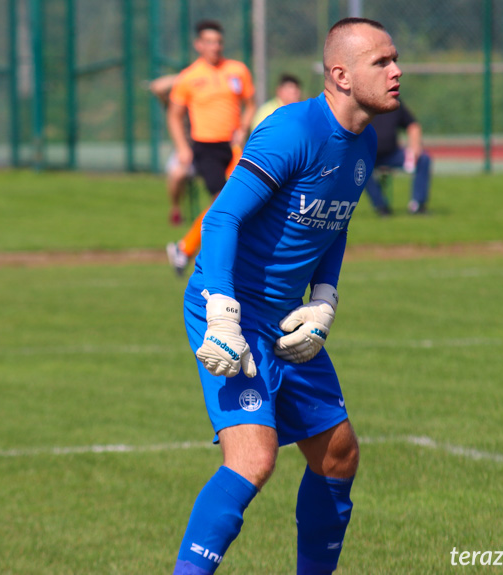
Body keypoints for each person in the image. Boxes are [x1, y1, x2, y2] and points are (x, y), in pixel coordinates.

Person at [172, 17, 402, 574]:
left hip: (283, 319)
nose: (397, 72)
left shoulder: (363, 140)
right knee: (253, 460)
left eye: (396, 60)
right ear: (341, 75)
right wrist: (223, 313)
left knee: (339, 454)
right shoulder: (291, 131)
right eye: (383, 63)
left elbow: (335, 222)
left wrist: (323, 298)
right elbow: (223, 216)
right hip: (228, 307)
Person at [165, 19, 256, 276]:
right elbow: (173, 115)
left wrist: (243, 127)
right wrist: (182, 147)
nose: (215, 47)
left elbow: (250, 104)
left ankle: (190, 249)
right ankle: (185, 248)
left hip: (234, 145)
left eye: (218, 42)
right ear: (198, 45)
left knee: (243, 198)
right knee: (221, 202)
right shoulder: (189, 77)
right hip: (206, 147)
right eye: (209, 42)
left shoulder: (237, 70)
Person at [363, 98, 431, 215]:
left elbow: (413, 125)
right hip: (368, 156)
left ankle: (418, 205)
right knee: (360, 168)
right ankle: (381, 207)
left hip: (393, 154)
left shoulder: (393, 103)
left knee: (423, 159)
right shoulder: (362, 104)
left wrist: (414, 147)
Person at [149, 74, 195, 226]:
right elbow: (157, 86)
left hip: (210, 148)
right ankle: (175, 208)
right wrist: (188, 77)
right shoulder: (177, 102)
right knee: (177, 174)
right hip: (185, 149)